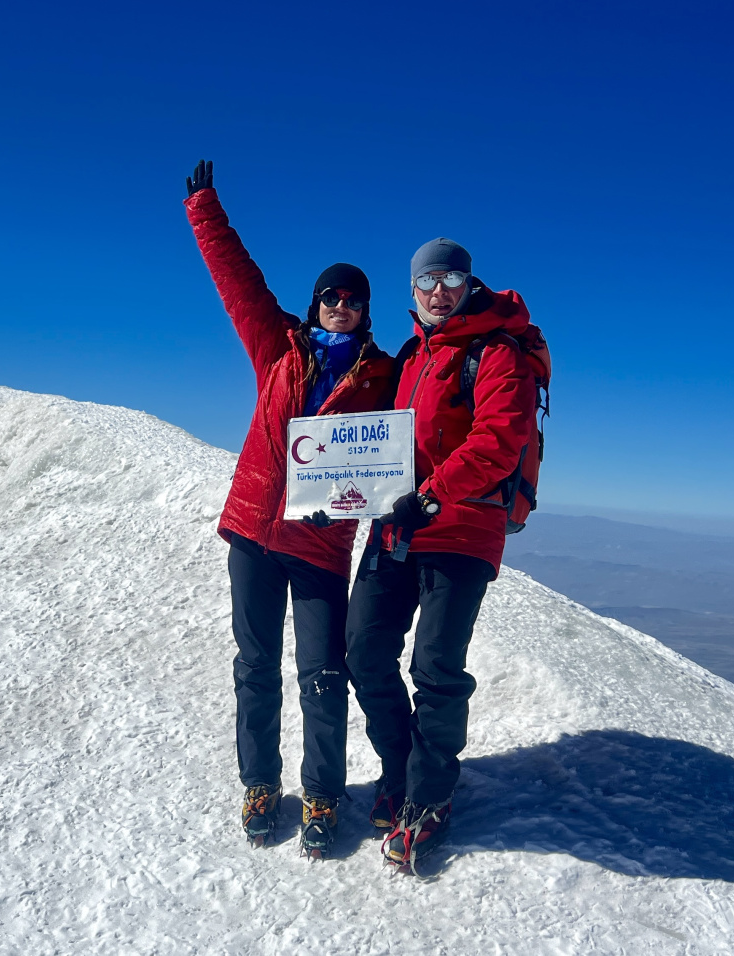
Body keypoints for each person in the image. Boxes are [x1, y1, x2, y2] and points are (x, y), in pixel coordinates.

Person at [183, 160, 395, 857]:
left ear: (366, 310)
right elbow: (238, 284)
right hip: (253, 531)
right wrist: (205, 212)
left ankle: (325, 795)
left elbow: (403, 445)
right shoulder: (279, 349)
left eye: (353, 298)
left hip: (319, 546)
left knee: (322, 676)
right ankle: (261, 785)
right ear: (315, 304)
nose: (341, 304)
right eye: (331, 295)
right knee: (254, 667)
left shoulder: (382, 377)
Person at [346, 237, 539, 873]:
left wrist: (428, 498)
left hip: (461, 531)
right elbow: (379, 446)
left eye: (451, 278)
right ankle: (400, 771)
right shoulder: (411, 356)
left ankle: (429, 798)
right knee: (364, 649)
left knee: (435, 666)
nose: (439, 291)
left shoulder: (497, 352)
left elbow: (499, 441)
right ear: (412, 290)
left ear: (469, 284)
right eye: (428, 280)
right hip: (397, 530)